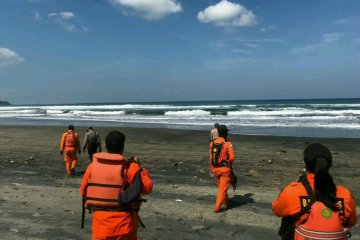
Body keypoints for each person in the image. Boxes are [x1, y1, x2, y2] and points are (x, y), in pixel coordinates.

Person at [272, 143, 357, 240]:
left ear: (304, 163)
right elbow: (351, 222)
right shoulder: (345, 194)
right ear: (329, 164)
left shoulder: (292, 191)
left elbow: (277, 210)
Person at [80, 131, 153, 240]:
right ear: (122, 147)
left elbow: (83, 191)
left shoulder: (93, 167)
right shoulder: (129, 167)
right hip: (125, 227)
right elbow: (147, 188)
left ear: (106, 146)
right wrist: (141, 169)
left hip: (101, 228)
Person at [209, 124, 235, 213]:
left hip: (216, 169)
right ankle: (217, 208)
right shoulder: (228, 143)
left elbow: (211, 158)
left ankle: (227, 203)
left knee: (222, 188)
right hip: (225, 170)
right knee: (222, 189)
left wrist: (212, 169)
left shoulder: (212, 143)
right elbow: (232, 157)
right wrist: (228, 163)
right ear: (226, 133)